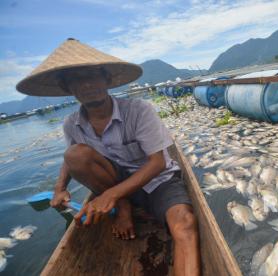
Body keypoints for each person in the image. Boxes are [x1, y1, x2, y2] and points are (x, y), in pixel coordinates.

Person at [16, 38, 200, 276]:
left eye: (92, 75)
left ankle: (124, 205)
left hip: (158, 181)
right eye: (76, 80)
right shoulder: (72, 124)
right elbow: (70, 160)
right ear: (67, 88)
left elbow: (158, 162)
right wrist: (60, 187)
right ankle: (124, 209)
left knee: (185, 224)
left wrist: (110, 195)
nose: (86, 85)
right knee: (76, 154)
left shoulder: (138, 110)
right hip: (114, 181)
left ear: (107, 79)